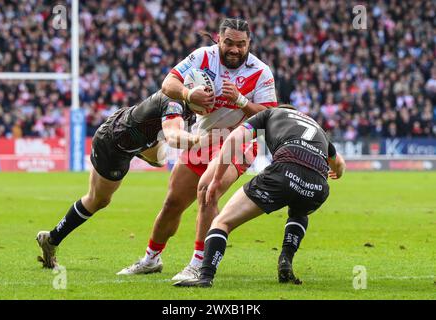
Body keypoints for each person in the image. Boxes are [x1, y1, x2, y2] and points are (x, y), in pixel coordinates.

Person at [117, 18, 277, 279]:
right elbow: (168, 84)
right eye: (229, 43)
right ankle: (151, 259)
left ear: (249, 43)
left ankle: (199, 265)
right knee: (172, 203)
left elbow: (270, 116)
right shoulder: (203, 57)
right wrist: (189, 95)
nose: (234, 49)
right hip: (203, 140)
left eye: (241, 44)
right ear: (218, 39)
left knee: (208, 190)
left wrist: (241, 101)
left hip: (239, 141)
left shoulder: (260, 72)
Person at [173, 105, 346, 287]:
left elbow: (233, 140)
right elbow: (339, 164)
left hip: (285, 169)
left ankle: (205, 276)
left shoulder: (269, 113)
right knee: (299, 209)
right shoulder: (315, 125)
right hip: (318, 185)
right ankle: (285, 259)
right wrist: (338, 173)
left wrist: (216, 179)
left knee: (222, 222)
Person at [36, 89, 205, 268]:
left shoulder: (190, 105)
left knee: (160, 158)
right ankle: (52, 239)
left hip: (132, 133)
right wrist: (199, 140)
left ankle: (142, 145)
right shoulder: (174, 103)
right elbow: (172, 137)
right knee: (97, 200)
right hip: (114, 146)